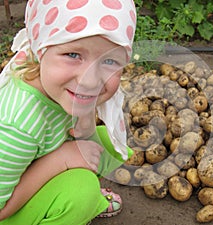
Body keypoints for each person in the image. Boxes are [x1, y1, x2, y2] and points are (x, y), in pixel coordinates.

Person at [0, 0, 136, 224]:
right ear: (41, 49)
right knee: (81, 192)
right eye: (73, 55)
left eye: (109, 60)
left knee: (108, 145)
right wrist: (61, 160)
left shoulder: (54, 82)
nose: (89, 80)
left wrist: (84, 128)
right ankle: (63, 204)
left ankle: (56, 199)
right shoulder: (17, 124)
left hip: (32, 163)